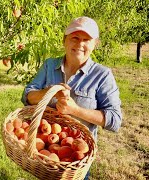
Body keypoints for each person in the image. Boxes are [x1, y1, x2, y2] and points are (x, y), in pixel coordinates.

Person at [21, 16, 123, 179]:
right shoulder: (49, 66)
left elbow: (115, 120)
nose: (80, 44)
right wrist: (48, 92)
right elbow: (27, 97)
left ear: (95, 44)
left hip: (76, 159)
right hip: (44, 152)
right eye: (75, 38)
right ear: (65, 40)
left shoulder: (102, 75)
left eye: (86, 40)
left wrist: (75, 110)